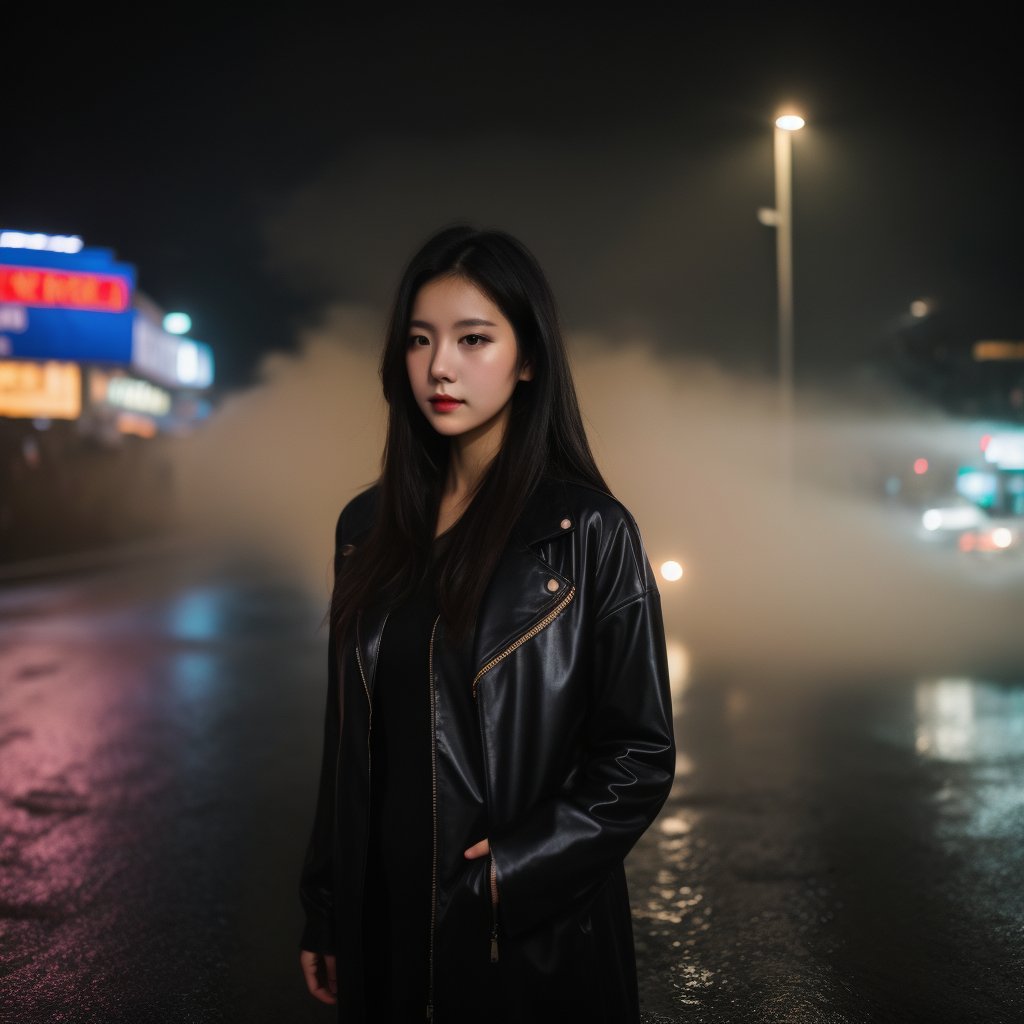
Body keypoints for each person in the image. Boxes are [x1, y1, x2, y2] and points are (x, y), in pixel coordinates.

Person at [298, 224, 675, 1023]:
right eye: (420, 340)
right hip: (381, 920)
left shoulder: (586, 532)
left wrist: (512, 873)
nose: (441, 366)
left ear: (527, 357)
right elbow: (347, 744)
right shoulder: (366, 527)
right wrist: (327, 907)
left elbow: (638, 754)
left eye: (474, 339)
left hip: (519, 936)